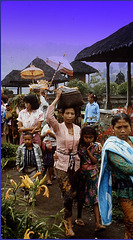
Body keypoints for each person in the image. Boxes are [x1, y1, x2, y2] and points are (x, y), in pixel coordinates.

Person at [98, 113, 133, 239]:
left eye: (126, 126)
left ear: (131, 127)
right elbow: (125, 168)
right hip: (125, 192)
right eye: (119, 127)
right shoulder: (111, 146)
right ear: (113, 128)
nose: (123, 130)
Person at [46, 89, 81, 238]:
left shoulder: (78, 128)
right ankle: (69, 225)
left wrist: (97, 145)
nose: (69, 116)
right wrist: (57, 98)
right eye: (67, 113)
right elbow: (48, 115)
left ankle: (67, 214)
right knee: (68, 194)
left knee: (73, 193)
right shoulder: (58, 127)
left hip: (75, 165)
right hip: (60, 164)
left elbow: (82, 145)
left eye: (72, 113)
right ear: (62, 114)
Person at [76, 126, 106, 232]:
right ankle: (79, 217)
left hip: (93, 174)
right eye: (86, 137)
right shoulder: (79, 146)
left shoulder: (96, 146)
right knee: (80, 196)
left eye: (91, 137)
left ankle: (98, 223)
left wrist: (89, 152)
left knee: (95, 198)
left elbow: (94, 161)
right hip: (81, 174)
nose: (88, 139)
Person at [16, 132, 43, 202]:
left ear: (32, 140)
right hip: (24, 168)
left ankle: (32, 197)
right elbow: (18, 157)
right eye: (25, 139)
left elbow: (40, 157)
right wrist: (18, 165)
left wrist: (41, 166)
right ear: (23, 140)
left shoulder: (36, 148)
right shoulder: (21, 148)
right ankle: (26, 193)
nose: (27, 141)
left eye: (29, 139)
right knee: (25, 182)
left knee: (32, 183)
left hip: (33, 169)